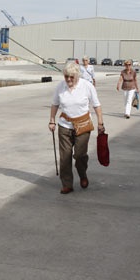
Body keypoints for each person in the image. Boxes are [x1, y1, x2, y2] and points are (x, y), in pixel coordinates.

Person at [49, 61, 104, 194]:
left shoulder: (87, 86)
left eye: (71, 77)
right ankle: (67, 184)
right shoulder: (60, 86)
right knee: (65, 157)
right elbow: (55, 104)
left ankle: (82, 174)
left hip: (83, 124)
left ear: (77, 76)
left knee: (80, 155)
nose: (68, 79)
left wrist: (100, 123)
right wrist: (52, 121)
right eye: (66, 76)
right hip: (65, 125)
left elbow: (96, 105)